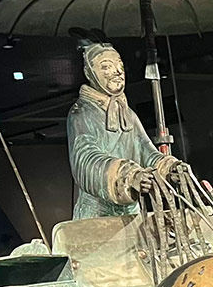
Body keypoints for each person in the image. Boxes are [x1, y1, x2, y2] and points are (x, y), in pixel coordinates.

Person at [67, 40, 182, 218]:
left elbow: (146, 151)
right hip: (97, 215)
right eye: (106, 66)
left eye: (119, 65)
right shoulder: (81, 113)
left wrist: (168, 167)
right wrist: (127, 175)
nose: (117, 71)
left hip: (132, 212)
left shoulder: (128, 114)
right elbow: (85, 160)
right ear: (89, 73)